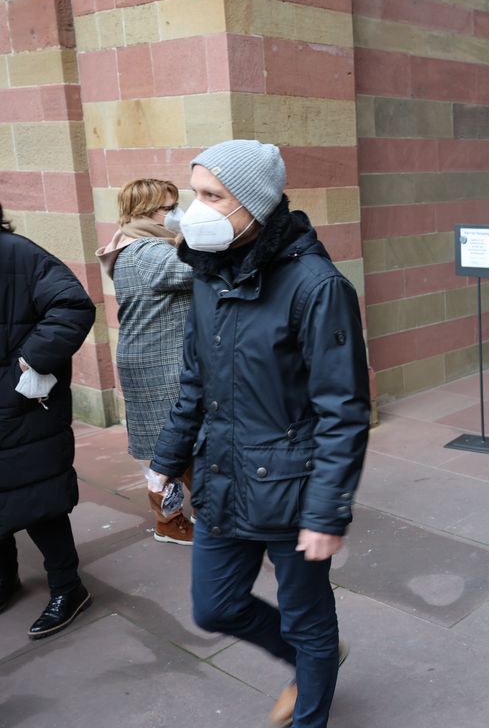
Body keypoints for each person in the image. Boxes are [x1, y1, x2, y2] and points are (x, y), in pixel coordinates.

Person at [148, 140, 370, 728]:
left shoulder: (317, 286)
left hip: (292, 490)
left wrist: (326, 514)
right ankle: (312, 661)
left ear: (256, 204)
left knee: (307, 620)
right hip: (221, 476)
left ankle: (311, 689)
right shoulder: (207, 272)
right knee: (214, 607)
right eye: (195, 193)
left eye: (214, 196)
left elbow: (343, 411)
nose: (196, 208)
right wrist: (166, 459)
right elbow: (195, 379)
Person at [0, 202, 97, 639]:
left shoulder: (16, 252)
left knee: (38, 499)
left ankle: (68, 587)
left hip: (20, 403)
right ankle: (5, 580)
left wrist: (29, 362)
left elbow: (72, 305)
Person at [96, 179, 195, 545]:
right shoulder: (147, 250)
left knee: (171, 443)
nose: (177, 213)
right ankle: (171, 522)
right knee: (177, 445)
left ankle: (187, 516)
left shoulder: (131, 242)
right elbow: (196, 270)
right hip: (160, 360)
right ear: (144, 211)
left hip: (151, 355)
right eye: (169, 208)